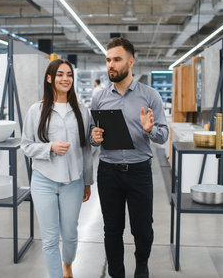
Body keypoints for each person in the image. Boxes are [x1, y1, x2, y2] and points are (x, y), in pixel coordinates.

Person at [90, 37, 168, 278]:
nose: (110, 65)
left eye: (116, 59)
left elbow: (163, 136)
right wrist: (95, 137)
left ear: (131, 62)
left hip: (139, 172)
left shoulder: (150, 96)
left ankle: (141, 264)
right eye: (108, 60)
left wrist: (149, 130)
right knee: (112, 229)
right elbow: (92, 138)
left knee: (142, 230)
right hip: (108, 172)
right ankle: (116, 273)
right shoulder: (99, 97)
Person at [21, 59, 93, 278]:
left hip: (73, 181)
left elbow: (87, 148)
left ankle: (68, 264)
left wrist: (87, 181)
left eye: (69, 75)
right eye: (60, 74)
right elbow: (26, 145)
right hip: (43, 180)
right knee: (50, 238)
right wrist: (49, 147)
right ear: (50, 78)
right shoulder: (36, 110)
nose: (65, 79)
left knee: (70, 233)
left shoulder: (82, 110)